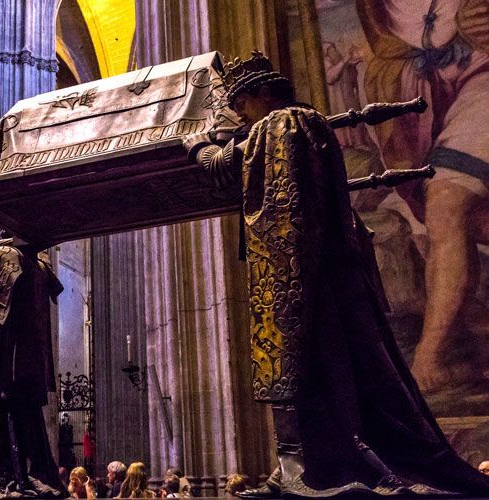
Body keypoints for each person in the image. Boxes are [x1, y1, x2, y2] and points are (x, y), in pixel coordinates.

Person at [183, 51, 489, 497]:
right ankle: (298, 464)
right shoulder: (306, 125)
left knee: (302, 367)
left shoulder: (282, 124)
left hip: (297, 274)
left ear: (262, 94)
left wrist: (196, 144)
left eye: (242, 103)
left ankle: (307, 468)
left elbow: (223, 168)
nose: (240, 115)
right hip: (317, 268)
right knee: (318, 368)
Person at [356, 0, 489, 392]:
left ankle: (429, 360)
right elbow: (388, 36)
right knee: (446, 216)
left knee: (447, 202)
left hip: (483, 77)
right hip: (428, 90)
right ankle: (446, 352)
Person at [0, 239, 65, 499]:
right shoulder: (32, 264)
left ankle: (9, 476)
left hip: (7, 360)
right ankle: (19, 475)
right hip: (18, 360)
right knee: (16, 413)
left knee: (10, 411)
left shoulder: (15, 260)